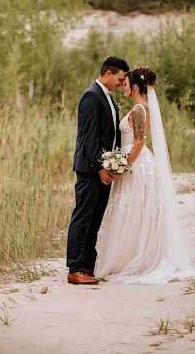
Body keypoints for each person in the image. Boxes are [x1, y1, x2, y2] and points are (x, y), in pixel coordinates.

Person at [93, 67, 195, 283]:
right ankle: (128, 256)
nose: (123, 85)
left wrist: (122, 166)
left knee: (134, 211)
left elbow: (139, 142)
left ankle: (136, 259)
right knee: (133, 211)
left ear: (135, 86)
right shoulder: (142, 107)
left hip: (137, 163)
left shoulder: (140, 109)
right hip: (135, 162)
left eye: (126, 83)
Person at [65, 56, 129, 285]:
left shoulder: (108, 98)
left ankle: (88, 266)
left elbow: (110, 135)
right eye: (120, 79)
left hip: (103, 167)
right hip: (89, 168)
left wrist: (115, 163)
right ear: (108, 73)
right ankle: (75, 268)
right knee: (83, 216)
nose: (122, 84)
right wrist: (100, 168)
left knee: (95, 218)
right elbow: (89, 137)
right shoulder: (92, 96)